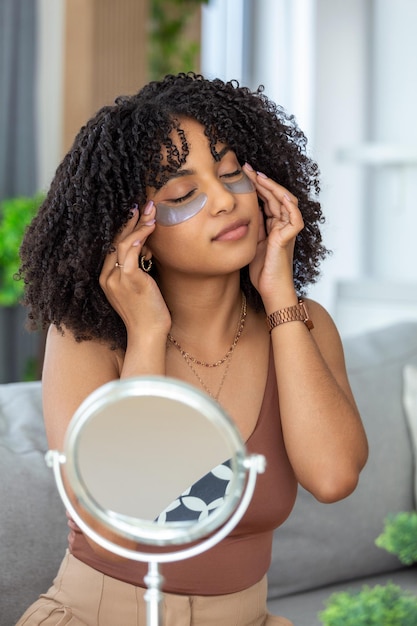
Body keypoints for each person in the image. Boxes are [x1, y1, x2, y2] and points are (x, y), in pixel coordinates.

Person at [16, 72, 368, 626]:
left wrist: (281, 301)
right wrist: (148, 336)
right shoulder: (86, 336)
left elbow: (333, 478)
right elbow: (119, 521)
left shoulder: (301, 325)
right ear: (132, 227)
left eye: (231, 174)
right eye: (182, 194)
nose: (225, 200)